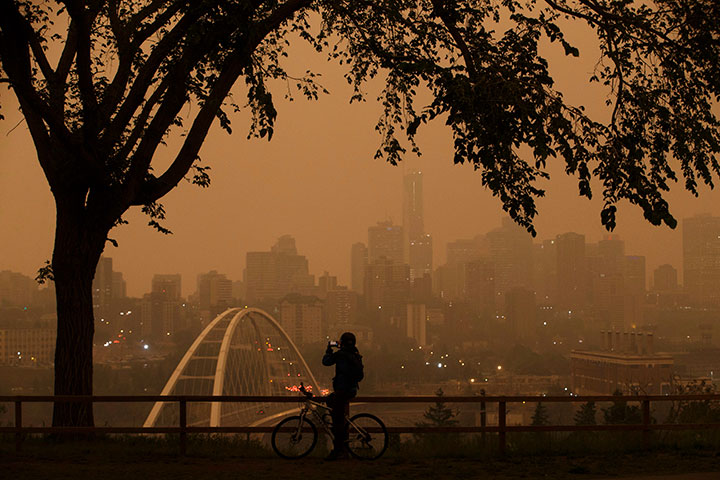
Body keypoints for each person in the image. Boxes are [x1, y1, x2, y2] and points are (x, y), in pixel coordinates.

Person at [322, 331, 364, 460]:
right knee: (331, 403)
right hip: (351, 389)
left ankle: (338, 450)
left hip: (342, 390)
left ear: (342, 342)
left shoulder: (341, 355)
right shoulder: (355, 353)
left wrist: (329, 349)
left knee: (337, 423)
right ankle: (341, 442)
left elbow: (326, 362)